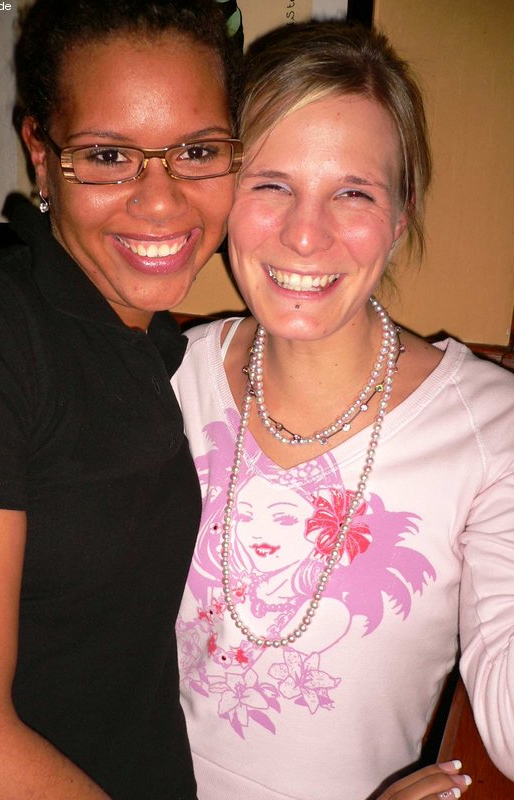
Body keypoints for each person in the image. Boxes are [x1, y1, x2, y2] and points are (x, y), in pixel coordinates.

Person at [172, 21, 514, 800]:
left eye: (352, 193)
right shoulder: (164, 376)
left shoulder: (492, 433)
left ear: (401, 215)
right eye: (271, 184)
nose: (305, 234)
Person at [0, 1, 242, 797]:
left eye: (198, 150)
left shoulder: (155, 346)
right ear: (41, 152)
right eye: (108, 155)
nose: (161, 201)